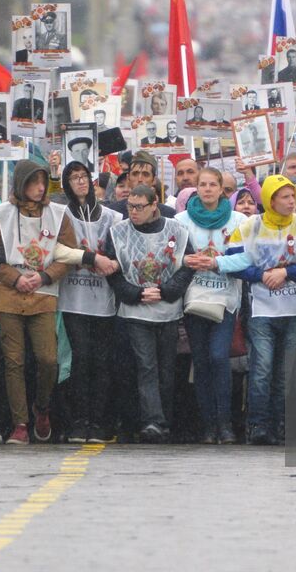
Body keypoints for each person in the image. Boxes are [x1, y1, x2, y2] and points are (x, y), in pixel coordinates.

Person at [0, 159, 96, 444]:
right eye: (33, 181)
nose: (40, 187)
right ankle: (20, 422)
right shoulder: (0, 213)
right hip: (8, 295)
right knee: (14, 361)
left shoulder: (58, 214)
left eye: (43, 181)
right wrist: (14, 278)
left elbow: (67, 254)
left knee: (48, 359)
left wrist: (44, 277)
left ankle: (41, 406)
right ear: (21, 183)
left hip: (43, 294)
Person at [227, 175, 296, 445]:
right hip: (261, 309)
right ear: (270, 200)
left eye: (293, 196)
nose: (292, 202)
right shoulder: (249, 225)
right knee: (262, 369)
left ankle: (280, 424)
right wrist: (262, 275)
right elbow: (234, 261)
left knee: (284, 371)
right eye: (285, 197)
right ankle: (258, 425)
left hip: (293, 308)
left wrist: (286, 272)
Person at [106, 184, 197, 443]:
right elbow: (113, 272)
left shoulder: (177, 230)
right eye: (130, 207)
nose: (133, 212)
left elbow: (186, 266)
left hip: (168, 310)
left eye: (139, 207)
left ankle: (164, 421)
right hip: (135, 311)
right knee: (146, 366)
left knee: (166, 369)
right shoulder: (118, 232)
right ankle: (152, 422)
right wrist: (135, 293)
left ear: (153, 204)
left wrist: (167, 290)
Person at [176, 167, 251, 444]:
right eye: (202, 184)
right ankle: (208, 425)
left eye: (212, 185)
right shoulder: (181, 220)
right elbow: (172, 257)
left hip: (226, 299)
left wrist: (216, 262)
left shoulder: (238, 220)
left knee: (219, 357)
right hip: (195, 298)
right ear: (196, 188)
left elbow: (246, 260)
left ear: (222, 189)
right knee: (202, 361)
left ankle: (226, 423)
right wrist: (187, 261)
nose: (207, 189)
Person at [55, 161, 123, 443]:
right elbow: (56, 250)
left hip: (103, 299)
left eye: (84, 177)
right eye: (73, 178)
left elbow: (122, 252)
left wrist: (113, 263)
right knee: (80, 359)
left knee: (101, 361)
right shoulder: (60, 215)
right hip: (73, 299)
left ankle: (99, 421)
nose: (80, 182)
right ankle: (79, 420)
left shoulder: (111, 216)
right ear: (66, 185)